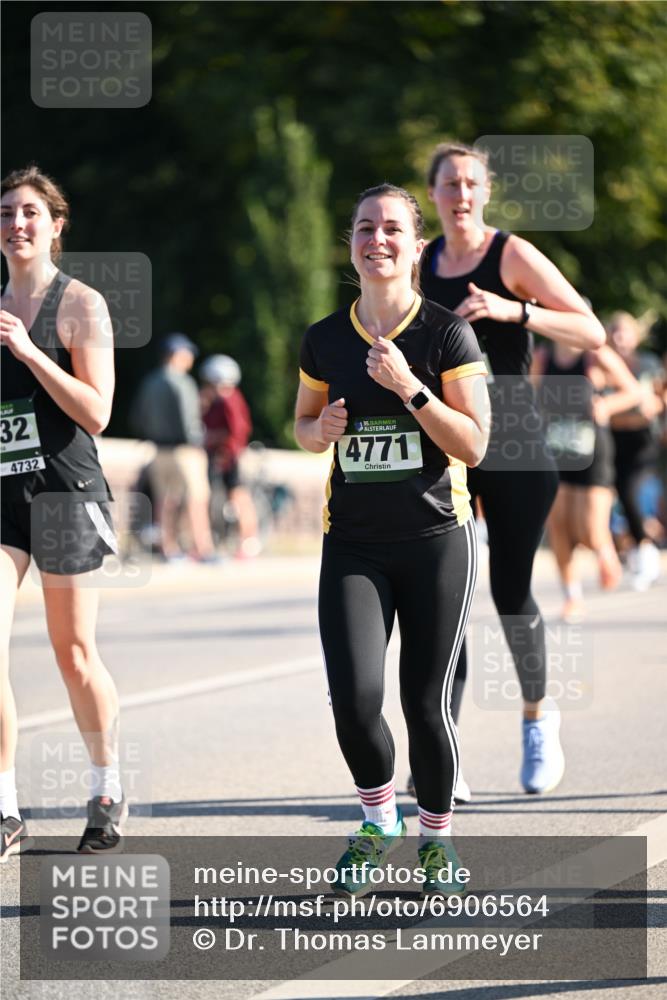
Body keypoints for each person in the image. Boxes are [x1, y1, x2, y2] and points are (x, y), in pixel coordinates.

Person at [294, 184, 490, 896]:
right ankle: (378, 820)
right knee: (352, 697)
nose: (377, 239)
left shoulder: (445, 333)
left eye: (392, 229)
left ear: (415, 246)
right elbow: (303, 425)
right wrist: (318, 433)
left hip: (437, 539)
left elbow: (472, 444)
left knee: (423, 704)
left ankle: (437, 841)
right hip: (352, 543)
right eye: (364, 229)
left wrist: (412, 389)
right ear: (350, 244)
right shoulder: (323, 337)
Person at [419, 141, 606, 797]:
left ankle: (536, 718)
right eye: (449, 183)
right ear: (434, 194)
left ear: (485, 191)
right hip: (445, 443)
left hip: (517, 443)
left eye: (471, 182)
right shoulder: (421, 263)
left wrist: (511, 309)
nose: (461, 194)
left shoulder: (511, 255)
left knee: (507, 592)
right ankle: (442, 759)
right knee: (445, 600)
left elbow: (591, 333)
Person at [1, 166, 126, 860]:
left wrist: (27, 351)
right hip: (1, 503)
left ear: (55, 225)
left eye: (28, 213)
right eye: (5, 214)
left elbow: (97, 411)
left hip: (65, 495)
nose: (15, 225)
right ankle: (5, 807)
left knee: (73, 653)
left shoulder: (79, 304)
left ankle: (106, 788)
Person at [532, 341, 640, 622]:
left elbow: (633, 391)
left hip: (592, 449)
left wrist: (606, 404)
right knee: (558, 526)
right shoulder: (543, 356)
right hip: (556, 447)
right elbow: (527, 395)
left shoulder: (595, 355)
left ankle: (606, 551)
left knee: (590, 528)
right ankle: (572, 597)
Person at [130, 334, 217, 563]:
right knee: (196, 498)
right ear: (178, 355)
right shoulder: (182, 382)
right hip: (184, 450)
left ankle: (167, 548)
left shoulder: (150, 381)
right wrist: (197, 443)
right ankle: (202, 548)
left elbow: (138, 417)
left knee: (163, 500)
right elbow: (189, 419)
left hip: (158, 449)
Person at [607, 311, 665, 590]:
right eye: (614, 331)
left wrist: (637, 410)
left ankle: (646, 552)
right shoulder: (602, 364)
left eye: (624, 332)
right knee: (617, 496)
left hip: (643, 444)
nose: (619, 338)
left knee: (631, 492)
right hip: (612, 441)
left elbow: (656, 403)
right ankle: (637, 552)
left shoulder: (648, 364)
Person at [200, 354, 261, 559]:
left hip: (232, 455)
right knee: (234, 496)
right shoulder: (219, 400)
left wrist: (220, 444)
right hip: (226, 455)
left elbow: (237, 430)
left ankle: (248, 540)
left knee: (239, 496)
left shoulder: (229, 399)